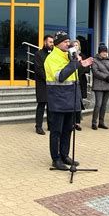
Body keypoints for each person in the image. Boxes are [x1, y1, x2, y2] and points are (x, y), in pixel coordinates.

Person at [44, 31, 93, 170]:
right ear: (58, 43)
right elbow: (61, 76)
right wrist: (74, 63)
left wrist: (82, 65)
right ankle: (56, 159)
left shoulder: (69, 56)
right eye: (65, 41)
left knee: (68, 130)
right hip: (58, 100)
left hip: (71, 100)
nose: (68, 43)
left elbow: (74, 76)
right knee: (56, 132)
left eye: (68, 41)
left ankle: (65, 155)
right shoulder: (52, 58)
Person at [91, 43, 109, 130]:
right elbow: (95, 72)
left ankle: (101, 122)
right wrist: (106, 77)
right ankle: (94, 122)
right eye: (103, 52)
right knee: (98, 104)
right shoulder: (94, 60)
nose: (105, 53)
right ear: (99, 52)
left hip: (108, 84)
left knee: (104, 105)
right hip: (99, 85)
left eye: (106, 52)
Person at [34, 35, 54, 135]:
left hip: (52, 85)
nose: (52, 44)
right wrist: (48, 78)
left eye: (53, 42)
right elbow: (38, 69)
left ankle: (50, 125)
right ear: (45, 42)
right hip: (42, 84)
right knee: (41, 105)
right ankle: (38, 126)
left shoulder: (53, 54)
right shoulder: (39, 54)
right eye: (50, 42)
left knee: (51, 106)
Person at [72, 40, 89, 131]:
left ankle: (77, 123)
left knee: (79, 103)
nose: (75, 46)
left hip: (81, 81)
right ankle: (71, 122)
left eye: (77, 45)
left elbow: (87, 69)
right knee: (72, 103)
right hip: (72, 81)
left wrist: (82, 65)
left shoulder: (82, 56)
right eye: (74, 45)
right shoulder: (70, 56)